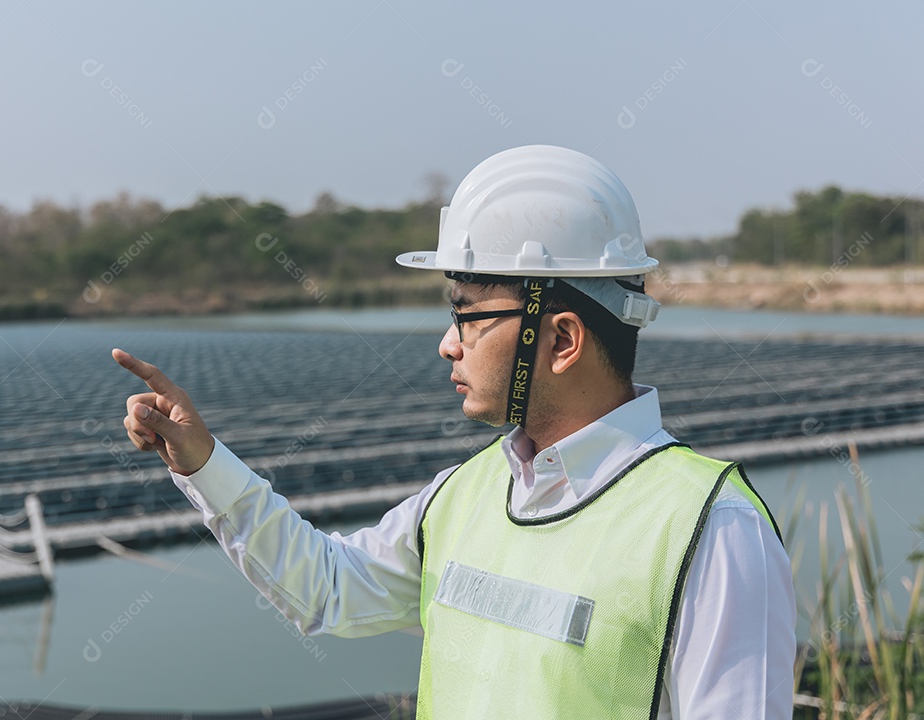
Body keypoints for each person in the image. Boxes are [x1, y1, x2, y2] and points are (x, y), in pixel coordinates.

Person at [114, 145, 796, 719]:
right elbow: (325, 588)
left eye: (469, 316)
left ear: (560, 338)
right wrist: (203, 463)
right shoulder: (463, 497)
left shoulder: (711, 530)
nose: (448, 343)